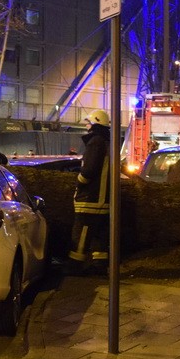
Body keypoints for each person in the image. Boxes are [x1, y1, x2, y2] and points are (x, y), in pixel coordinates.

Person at [68, 109, 111, 270]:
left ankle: (75, 266)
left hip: (90, 199)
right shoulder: (107, 143)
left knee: (82, 234)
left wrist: (79, 182)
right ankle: (99, 265)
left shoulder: (96, 142)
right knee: (99, 235)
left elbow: (89, 170)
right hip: (103, 199)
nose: (86, 126)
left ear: (95, 124)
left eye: (88, 123)